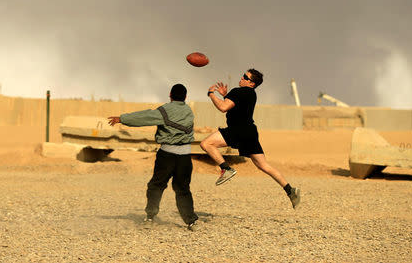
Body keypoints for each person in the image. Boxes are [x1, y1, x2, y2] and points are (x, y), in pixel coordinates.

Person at [200, 69, 301, 209]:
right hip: (250, 133)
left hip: (237, 130)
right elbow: (234, 105)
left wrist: (211, 94)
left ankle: (226, 169)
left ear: (251, 83)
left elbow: (223, 107)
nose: (241, 78)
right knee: (263, 165)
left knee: (206, 144)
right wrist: (226, 95)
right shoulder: (251, 94)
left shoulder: (238, 91)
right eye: (243, 75)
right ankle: (290, 190)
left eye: (245, 77)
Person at [108, 84, 199, 230]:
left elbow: (145, 117)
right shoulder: (189, 111)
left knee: (156, 185)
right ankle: (191, 221)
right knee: (183, 188)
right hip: (185, 157)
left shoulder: (165, 110)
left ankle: (150, 217)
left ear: (170, 95)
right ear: (185, 97)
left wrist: (122, 119)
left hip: (167, 155)